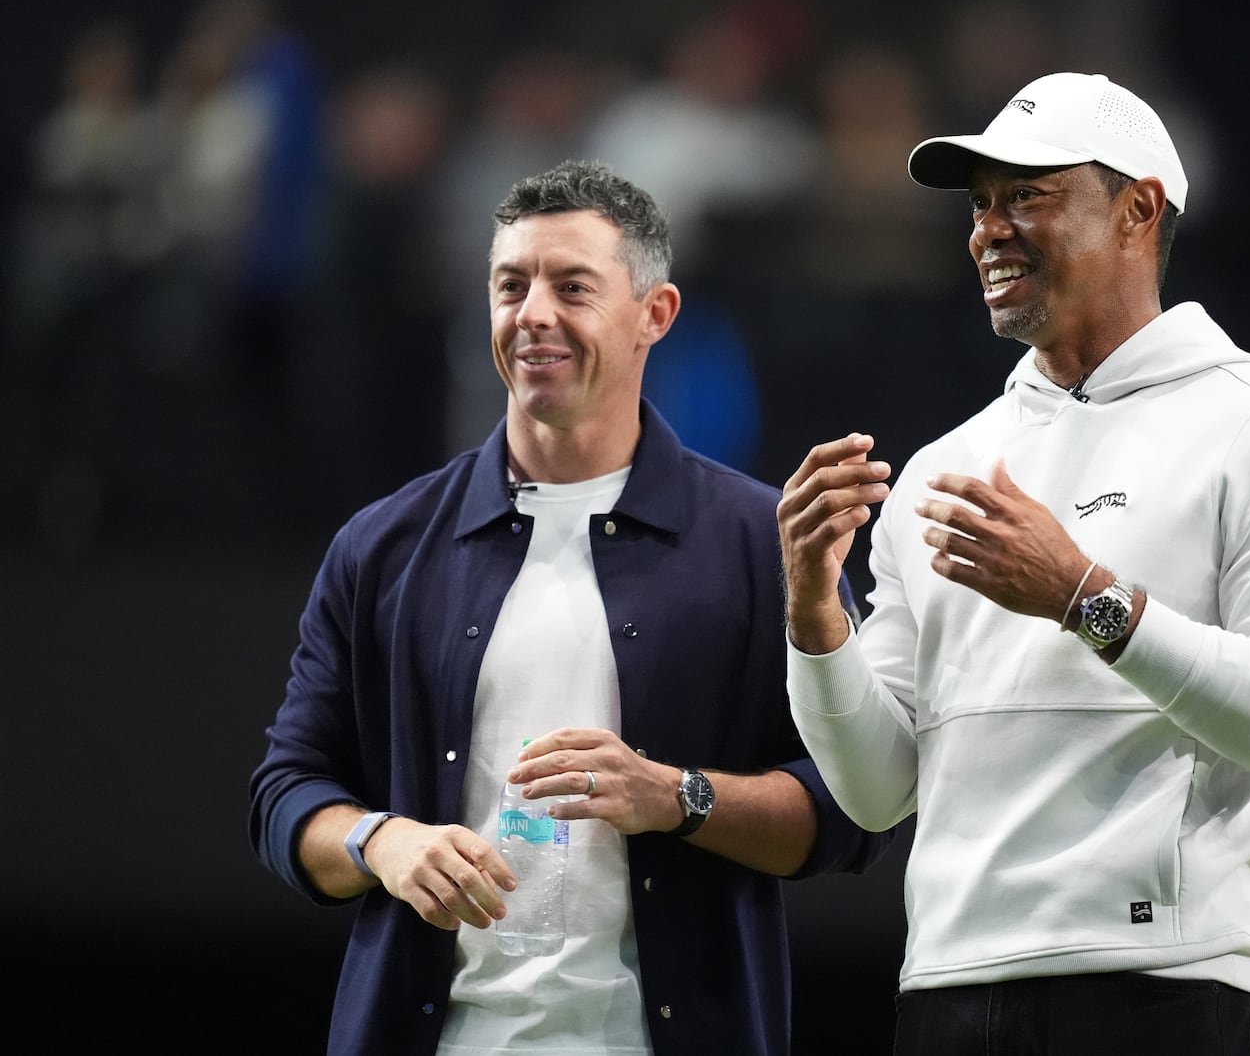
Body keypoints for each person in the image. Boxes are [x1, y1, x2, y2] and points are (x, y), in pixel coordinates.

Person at [777, 72, 1250, 1054]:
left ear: (1138, 208)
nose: (988, 230)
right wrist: (814, 617)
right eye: (980, 205)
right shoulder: (945, 466)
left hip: (1166, 991)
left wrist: (1083, 598)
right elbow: (876, 789)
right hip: (946, 990)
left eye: (1028, 196)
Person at [249, 159, 895, 1055]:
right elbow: (286, 792)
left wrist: (678, 796)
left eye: (573, 286)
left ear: (655, 315)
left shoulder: (761, 540)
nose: (533, 313)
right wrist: (381, 842)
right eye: (510, 285)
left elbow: (850, 814)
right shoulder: (382, 546)